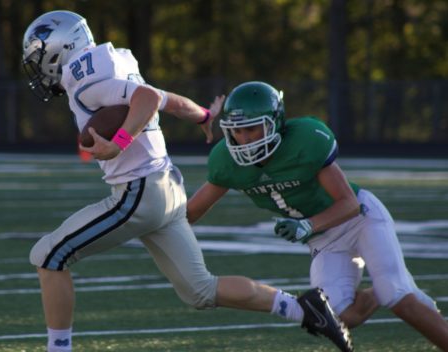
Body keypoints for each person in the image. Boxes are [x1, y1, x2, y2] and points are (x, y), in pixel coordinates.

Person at [22, 11, 353, 352]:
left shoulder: (84, 74)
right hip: (166, 189)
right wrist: (203, 115)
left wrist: (119, 142)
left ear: (60, 48)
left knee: (48, 255)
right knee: (201, 291)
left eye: (39, 57)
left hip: (139, 192)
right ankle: (304, 309)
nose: (39, 67)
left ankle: (57, 349)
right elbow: (163, 98)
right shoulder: (111, 63)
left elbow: (148, 99)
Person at [187, 80, 448, 350]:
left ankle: (393, 288)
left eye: (252, 128)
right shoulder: (226, 162)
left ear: (274, 123)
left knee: (397, 295)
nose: (244, 138)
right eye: (237, 130)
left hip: (360, 221)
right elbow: (191, 212)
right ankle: (382, 291)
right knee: (336, 317)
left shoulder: (305, 140)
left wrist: (306, 225)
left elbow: (349, 204)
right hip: (324, 239)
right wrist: (153, 229)